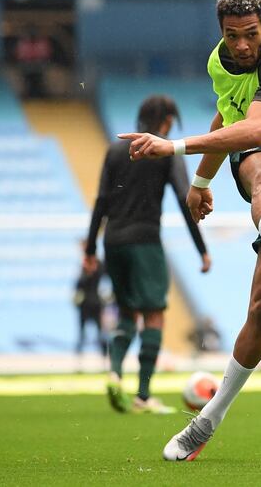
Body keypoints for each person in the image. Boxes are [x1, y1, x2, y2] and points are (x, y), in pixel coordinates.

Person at [118, 0, 261, 461]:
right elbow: (230, 116)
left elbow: (257, 125)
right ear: (221, 30)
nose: (241, 45)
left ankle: (209, 417)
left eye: (250, 34)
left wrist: (173, 148)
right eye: (232, 34)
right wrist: (201, 181)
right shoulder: (219, 61)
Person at [84, 95, 212, 414]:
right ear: (167, 121)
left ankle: (114, 372)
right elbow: (188, 201)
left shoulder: (115, 151)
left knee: (127, 313)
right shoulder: (165, 150)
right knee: (153, 314)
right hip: (145, 240)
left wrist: (90, 248)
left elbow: (100, 201)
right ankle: (143, 395)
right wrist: (202, 250)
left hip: (112, 242)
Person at [74, 239, 107, 357]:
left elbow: (80, 284)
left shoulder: (94, 264)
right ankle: (79, 361)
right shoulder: (86, 264)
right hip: (88, 303)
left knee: (100, 333)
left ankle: (105, 361)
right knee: (83, 334)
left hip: (93, 303)